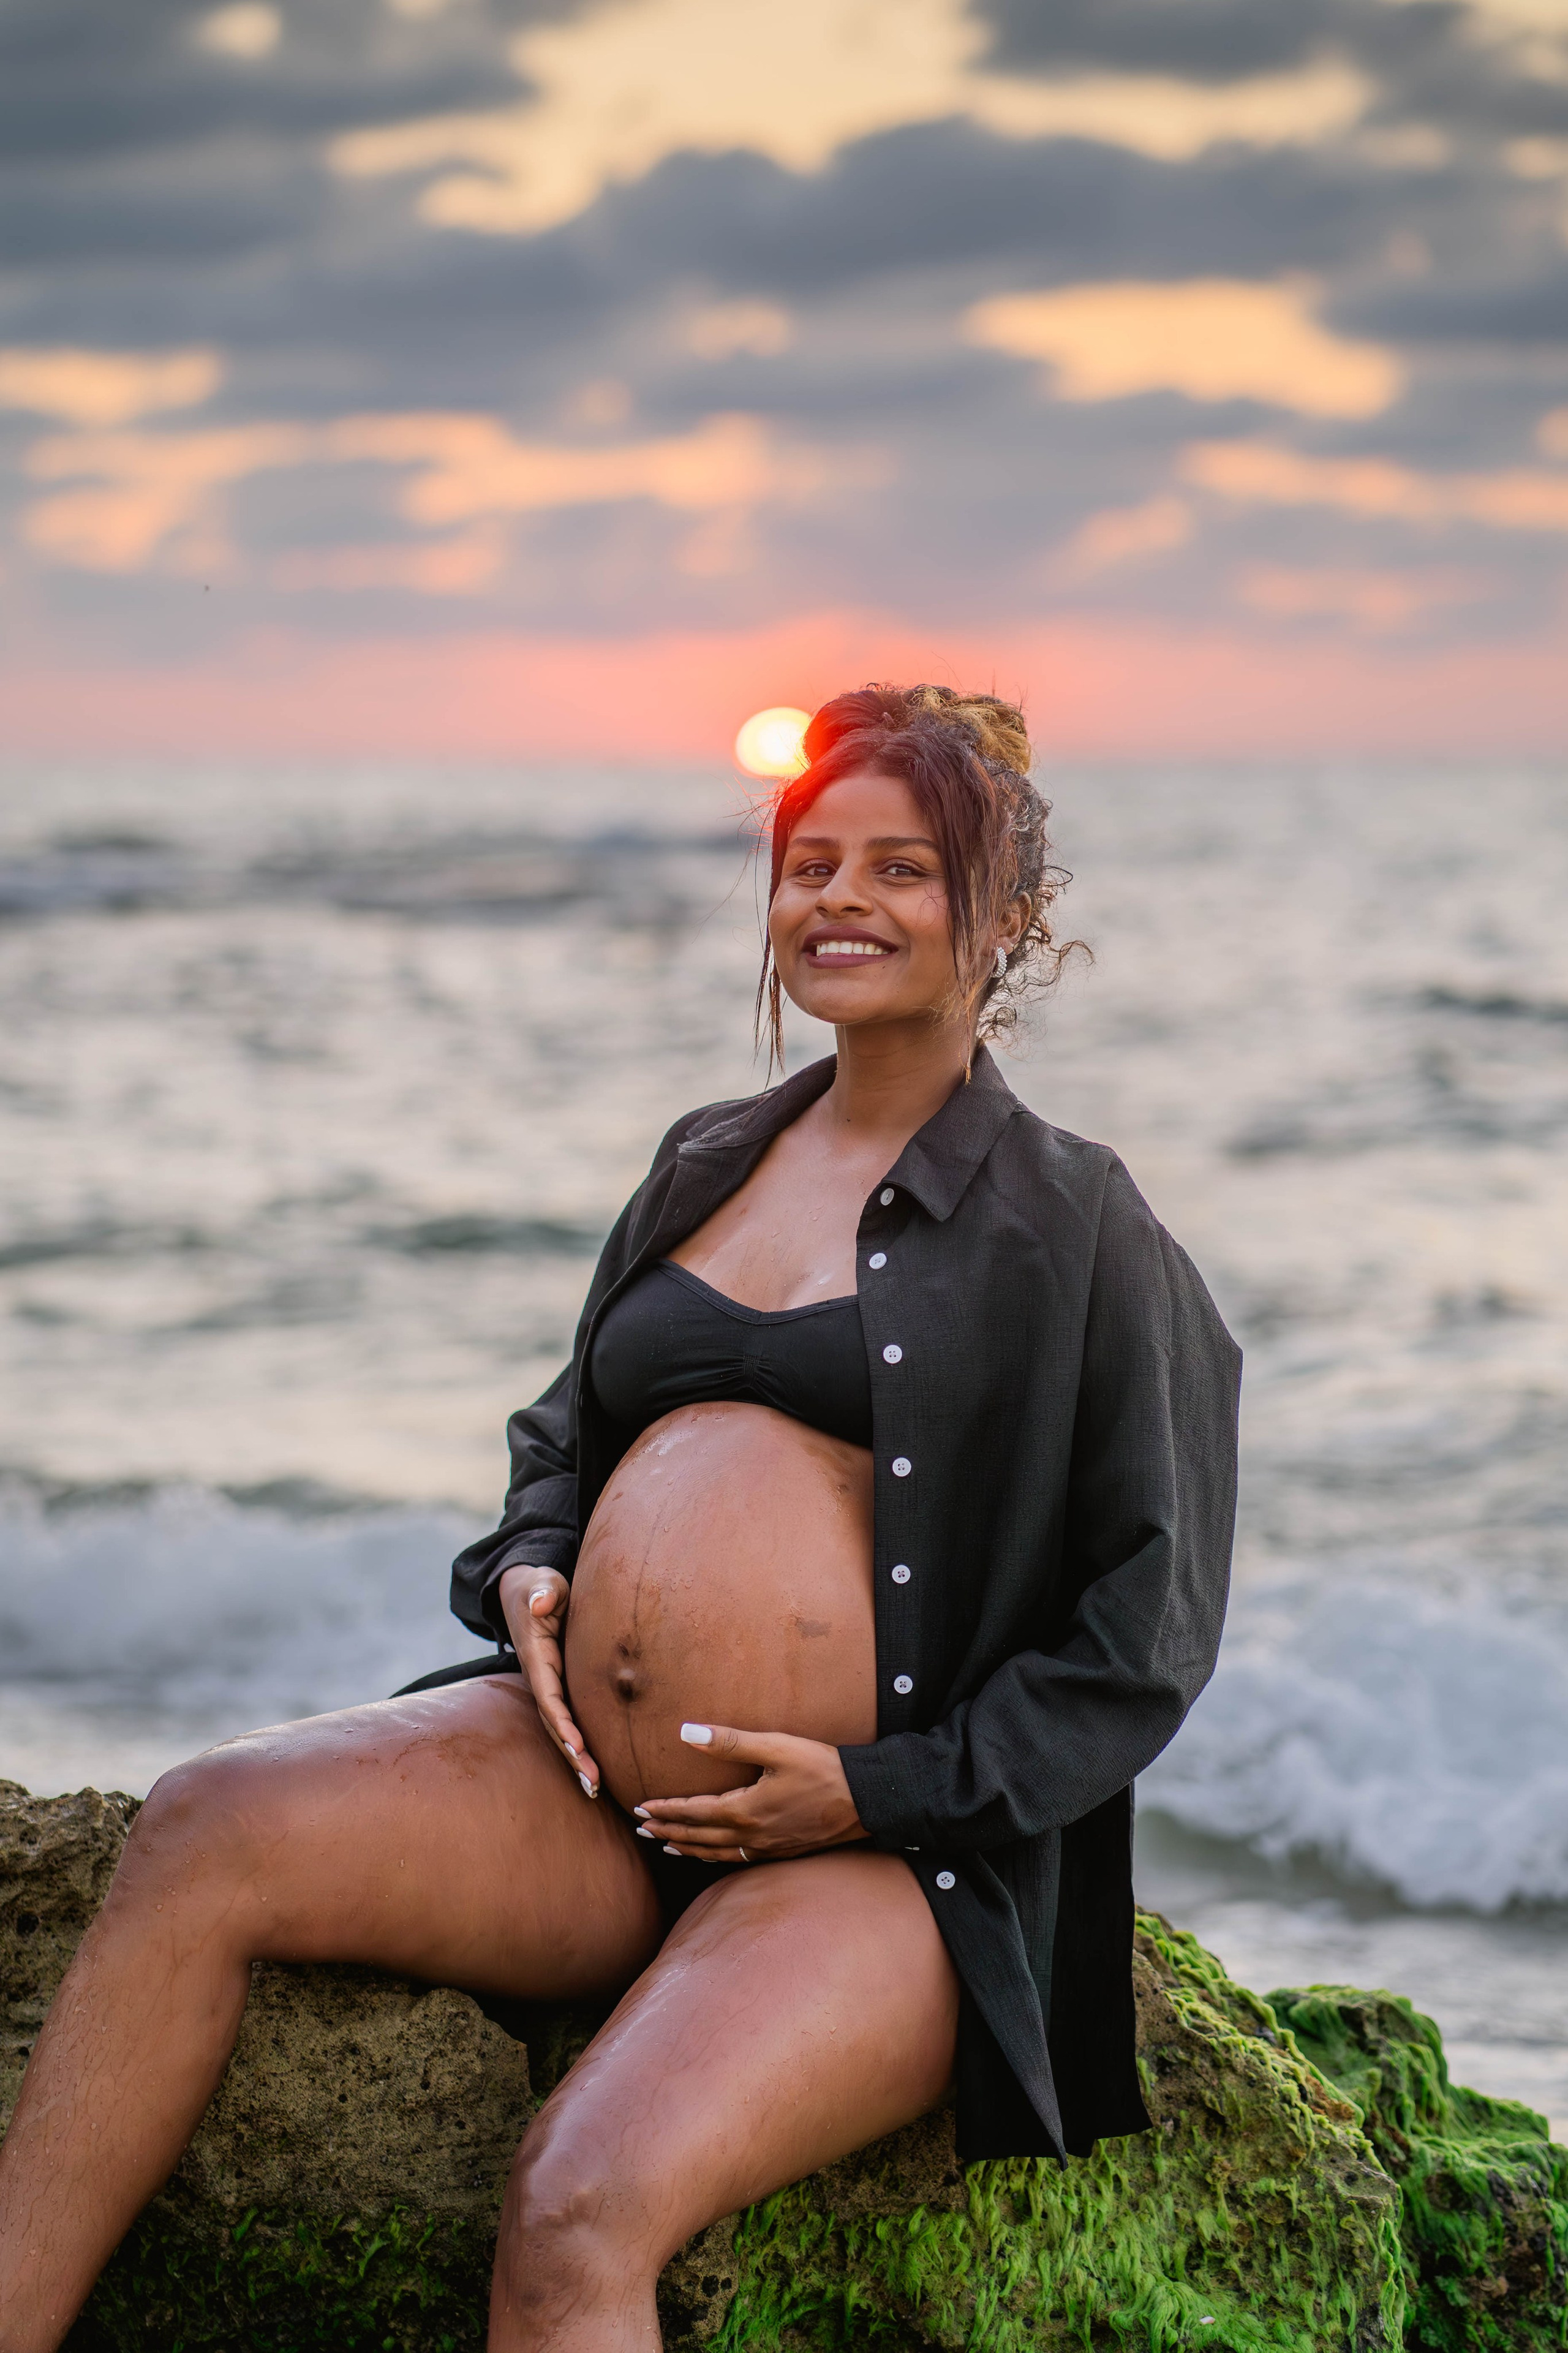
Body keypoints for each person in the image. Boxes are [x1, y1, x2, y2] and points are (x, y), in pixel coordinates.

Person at [0, 684, 1241, 2353]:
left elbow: (1146, 1630)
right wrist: (533, 1561)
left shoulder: (1080, 1226)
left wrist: (875, 1785)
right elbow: (563, 1433)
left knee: (576, 2208)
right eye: (810, 864)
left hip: (885, 1864)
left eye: (903, 868)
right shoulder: (707, 1157)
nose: (840, 899)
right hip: (593, 1805)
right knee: (207, 1822)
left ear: (1002, 913)